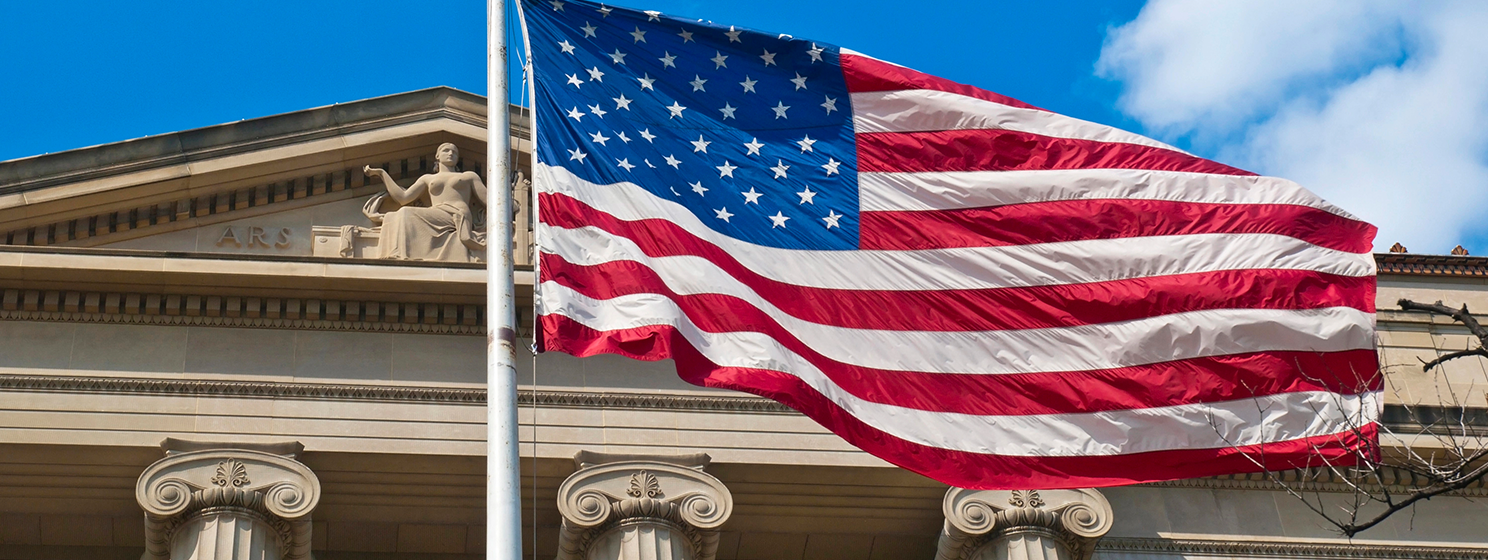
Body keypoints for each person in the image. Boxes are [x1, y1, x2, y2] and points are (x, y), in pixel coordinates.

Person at [363, 143, 488, 262]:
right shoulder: (428, 178)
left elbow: (489, 201)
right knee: (396, 215)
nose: (451, 153)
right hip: (437, 212)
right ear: (437, 156)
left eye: (454, 152)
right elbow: (403, 198)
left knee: (406, 212)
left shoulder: (468, 176)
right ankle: (399, 254)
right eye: (446, 150)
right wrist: (382, 174)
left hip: (457, 214)